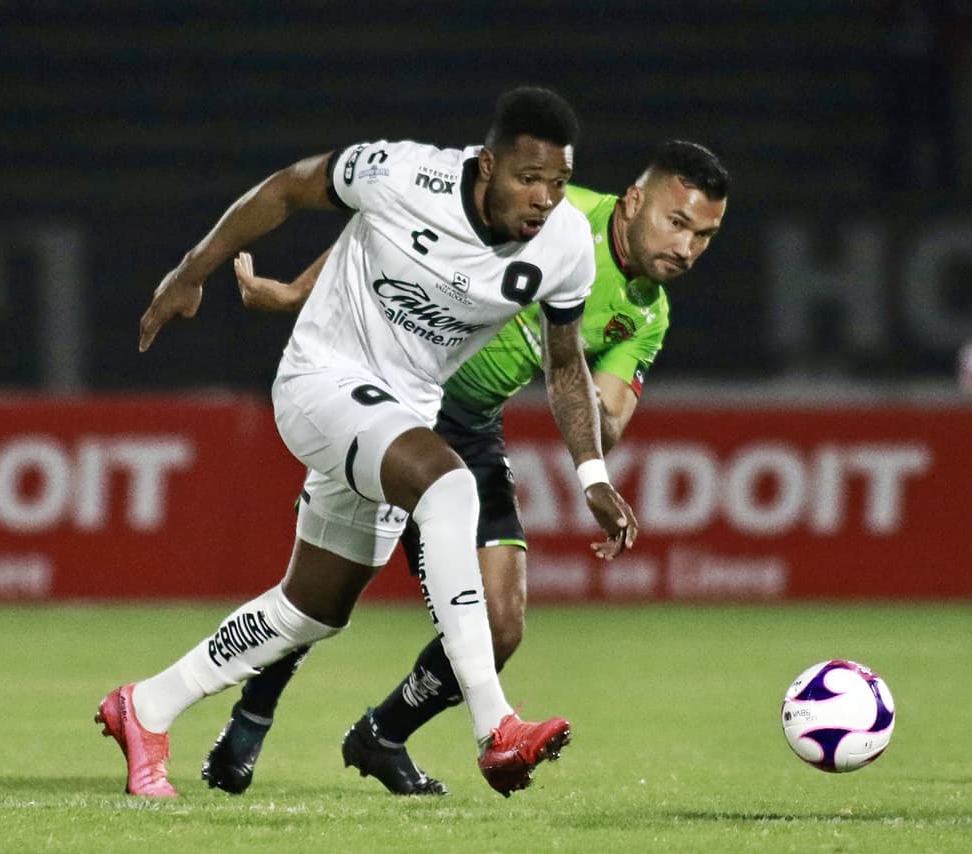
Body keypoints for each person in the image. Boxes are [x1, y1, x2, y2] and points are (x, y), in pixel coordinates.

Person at [97, 87, 640, 799]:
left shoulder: (566, 245)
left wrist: (592, 471)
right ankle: (495, 727)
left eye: (559, 183)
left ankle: (145, 708)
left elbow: (563, 364)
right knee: (448, 483)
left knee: (312, 608)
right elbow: (289, 188)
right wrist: (190, 270)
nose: (544, 199)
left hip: (401, 411)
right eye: (528, 179)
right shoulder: (404, 174)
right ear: (486, 167)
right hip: (322, 380)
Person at [199, 141, 730, 796]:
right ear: (635, 201)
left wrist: (588, 416)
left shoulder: (646, 316)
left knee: (502, 624)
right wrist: (296, 294)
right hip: (398, 390)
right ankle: (250, 719)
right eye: (678, 223)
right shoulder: (554, 219)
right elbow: (397, 232)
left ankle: (381, 735)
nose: (687, 247)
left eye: (704, 236)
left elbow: (609, 418)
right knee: (333, 583)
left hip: (472, 428)